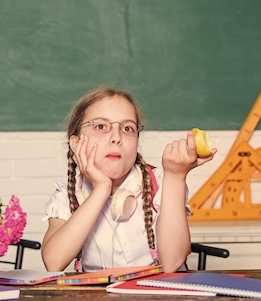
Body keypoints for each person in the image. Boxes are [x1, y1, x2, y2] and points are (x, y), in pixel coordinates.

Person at [41, 86, 217, 273]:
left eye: (127, 128)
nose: (116, 137)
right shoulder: (67, 196)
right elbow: (53, 262)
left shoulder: (161, 182)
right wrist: (101, 188)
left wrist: (176, 176)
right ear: (76, 143)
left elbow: (172, 263)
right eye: (101, 126)